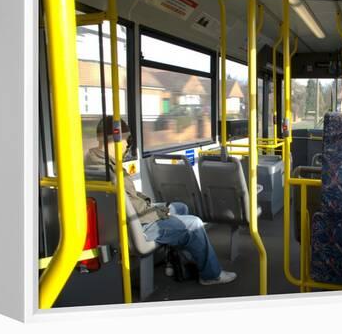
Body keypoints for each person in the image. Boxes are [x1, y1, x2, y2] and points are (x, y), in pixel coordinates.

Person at [85, 116, 237, 285]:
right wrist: (162, 212)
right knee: (194, 224)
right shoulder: (111, 171)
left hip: (123, 221)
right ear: (116, 140)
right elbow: (135, 208)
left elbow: (131, 197)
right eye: (126, 139)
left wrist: (159, 207)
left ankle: (179, 261)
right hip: (135, 227)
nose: (127, 145)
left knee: (180, 207)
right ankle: (211, 275)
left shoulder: (94, 163)